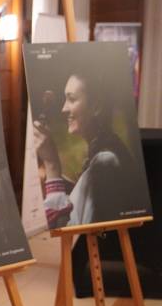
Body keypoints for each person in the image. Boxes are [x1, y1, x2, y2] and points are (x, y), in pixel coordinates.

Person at [33, 69, 140, 228]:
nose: (63, 109)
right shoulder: (108, 150)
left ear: (96, 106)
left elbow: (69, 230)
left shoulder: (106, 163)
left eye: (72, 99)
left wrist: (52, 165)